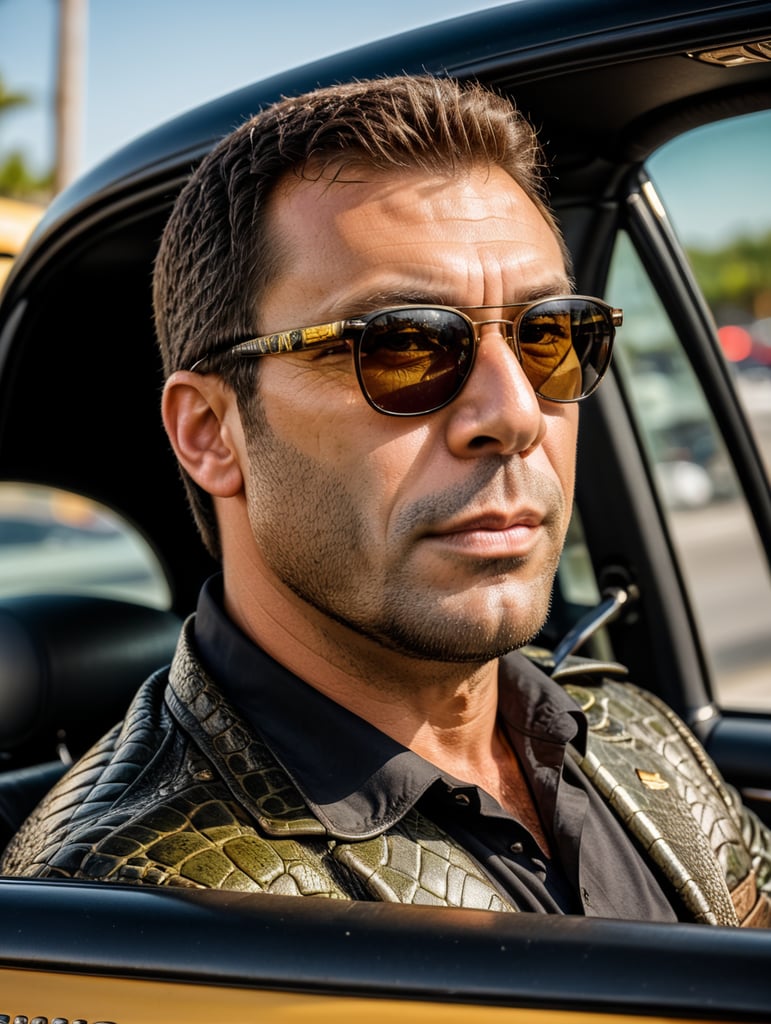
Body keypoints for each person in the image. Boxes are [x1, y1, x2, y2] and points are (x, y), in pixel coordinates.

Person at [2, 74, 769, 926]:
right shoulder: (122, 911)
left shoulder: (623, 722)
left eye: (549, 335)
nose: (515, 413)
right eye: (403, 346)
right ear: (212, 432)